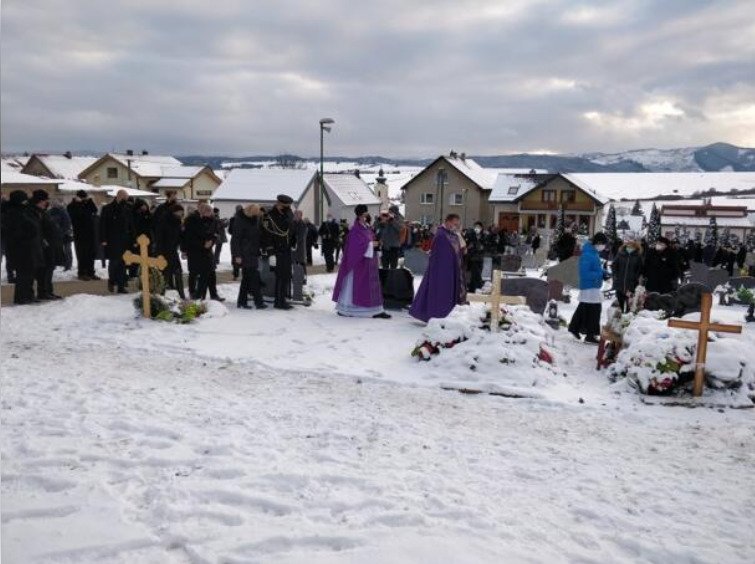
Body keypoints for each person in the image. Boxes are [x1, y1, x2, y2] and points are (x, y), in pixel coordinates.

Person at [332, 204, 391, 318]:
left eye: (366, 214)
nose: (366, 216)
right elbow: (355, 247)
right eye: (364, 214)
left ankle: (376, 310)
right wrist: (370, 244)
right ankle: (349, 309)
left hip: (369, 262)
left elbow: (371, 239)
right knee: (356, 286)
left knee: (372, 286)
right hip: (358, 264)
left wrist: (377, 244)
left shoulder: (367, 227)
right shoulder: (355, 230)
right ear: (359, 215)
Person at [409, 214, 466, 323]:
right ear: (448, 222)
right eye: (454, 224)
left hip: (451, 270)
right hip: (440, 271)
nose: (456, 226)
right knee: (438, 294)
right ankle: (437, 315)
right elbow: (437, 255)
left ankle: (447, 315)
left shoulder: (452, 234)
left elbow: (460, 249)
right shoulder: (441, 235)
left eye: (457, 224)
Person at [3, 191, 43, 304]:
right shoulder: (12, 213)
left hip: (28, 248)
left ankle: (29, 295)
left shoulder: (23, 211)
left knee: (29, 274)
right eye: (24, 200)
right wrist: (28, 233)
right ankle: (21, 297)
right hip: (19, 249)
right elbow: (14, 232)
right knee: (23, 275)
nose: (26, 202)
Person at [569, 232, 608, 343]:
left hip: (592, 286)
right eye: (603, 244)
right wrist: (601, 274)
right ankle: (590, 335)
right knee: (594, 310)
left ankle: (575, 328)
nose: (604, 247)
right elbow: (584, 273)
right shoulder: (588, 254)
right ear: (598, 243)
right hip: (589, 286)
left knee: (585, 308)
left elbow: (595, 269)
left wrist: (604, 272)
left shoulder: (593, 253)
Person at [183, 203, 225, 301]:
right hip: (195, 251)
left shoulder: (212, 220)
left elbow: (215, 233)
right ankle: (196, 294)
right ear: (201, 211)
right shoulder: (191, 220)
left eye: (210, 212)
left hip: (207, 250)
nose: (210, 214)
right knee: (196, 273)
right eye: (208, 212)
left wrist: (212, 241)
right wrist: (203, 243)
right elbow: (188, 237)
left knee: (210, 272)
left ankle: (213, 294)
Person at [262, 194, 295, 309]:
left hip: (286, 250)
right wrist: (271, 254)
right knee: (280, 277)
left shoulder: (288, 213)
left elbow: (291, 229)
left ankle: (283, 299)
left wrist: (293, 243)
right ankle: (278, 301)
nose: (288, 208)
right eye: (286, 206)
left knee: (286, 275)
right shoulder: (269, 217)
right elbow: (267, 236)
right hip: (276, 250)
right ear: (280, 204)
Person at [30, 190, 64, 300]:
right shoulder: (34, 212)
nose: (46, 202)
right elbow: (39, 230)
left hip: (51, 245)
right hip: (45, 246)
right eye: (45, 200)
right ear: (39, 201)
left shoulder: (42, 211)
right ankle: (43, 292)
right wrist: (45, 241)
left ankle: (48, 291)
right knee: (44, 271)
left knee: (49, 269)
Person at [232, 204, 267, 309]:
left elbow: (257, 235)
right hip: (244, 253)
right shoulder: (240, 220)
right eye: (256, 212)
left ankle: (241, 302)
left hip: (253, 252)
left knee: (246, 280)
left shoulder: (254, 219)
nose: (257, 214)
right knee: (254, 278)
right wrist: (237, 255)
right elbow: (235, 239)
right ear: (251, 211)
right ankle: (259, 302)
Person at [100, 190, 134, 293]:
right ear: (119, 196)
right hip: (112, 240)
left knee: (123, 263)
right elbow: (102, 225)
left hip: (124, 240)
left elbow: (131, 225)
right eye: (125, 197)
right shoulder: (107, 208)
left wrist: (133, 238)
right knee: (114, 262)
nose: (126, 200)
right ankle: (111, 281)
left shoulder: (127, 209)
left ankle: (121, 286)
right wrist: (103, 239)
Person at [156, 203, 186, 300]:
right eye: (180, 212)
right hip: (164, 251)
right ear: (174, 212)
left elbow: (180, 236)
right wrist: (160, 253)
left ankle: (181, 295)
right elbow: (159, 237)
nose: (181, 214)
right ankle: (161, 295)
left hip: (173, 251)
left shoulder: (178, 221)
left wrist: (183, 249)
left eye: (182, 212)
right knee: (166, 274)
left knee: (178, 272)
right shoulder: (164, 220)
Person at [67, 190, 99, 281]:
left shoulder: (87, 204)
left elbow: (94, 210)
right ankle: (82, 273)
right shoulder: (72, 206)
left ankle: (91, 272)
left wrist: (90, 201)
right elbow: (78, 214)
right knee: (82, 254)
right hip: (80, 234)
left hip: (90, 233)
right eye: (83, 197)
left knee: (91, 254)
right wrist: (78, 203)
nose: (84, 199)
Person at [611, 239, 643, 313]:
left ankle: (628, 315)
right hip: (620, 281)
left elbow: (640, 269)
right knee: (620, 297)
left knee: (629, 300)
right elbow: (614, 265)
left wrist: (636, 277)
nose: (629, 247)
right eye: (628, 245)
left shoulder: (638, 256)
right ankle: (622, 312)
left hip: (631, 283)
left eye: (632, 246)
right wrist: (615, 275)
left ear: (635, 247)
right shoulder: (620, 254)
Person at [49, 200, 73, 271]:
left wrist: (62, 232)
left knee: (67, 250)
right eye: (53, 204)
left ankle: (68, 265)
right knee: (56, 250)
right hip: (55, 235)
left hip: (65, 235)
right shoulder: (50, 212)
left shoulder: (64, 212)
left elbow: (67, 223)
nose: (54, 205)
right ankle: (55, 264)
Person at [465, 221, 486, 293]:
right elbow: (466, 244)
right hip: (472, 257)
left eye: (479, 227)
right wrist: (470, 246)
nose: (477, 228)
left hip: (480, 257)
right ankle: (477, 287)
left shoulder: (484, 236)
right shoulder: (470, 235)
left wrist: (482, 247)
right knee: (474, 273)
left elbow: (485, 245)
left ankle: (474, 287)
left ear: (481, 228)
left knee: (478, 273)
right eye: (476, 227)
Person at [228, 204, 243, 280]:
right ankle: (237, 274)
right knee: (239, 256)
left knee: (235, 256)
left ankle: (236, 274)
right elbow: (230, 231)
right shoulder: (235, 219)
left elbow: (230, 231)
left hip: (236, 240)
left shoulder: (233, 219)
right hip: (240, 240)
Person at [291, 209, 308, 275]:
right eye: (295, 214)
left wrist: (295, 241)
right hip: (292, 247)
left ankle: (304, 276)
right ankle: (296, 276)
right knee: (294, 262)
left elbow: (301, 235)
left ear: (301, 216)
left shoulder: (303, 224)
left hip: (300, 246)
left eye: (298, 215)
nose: (296, 216)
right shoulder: (292, 224)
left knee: (301, 262)